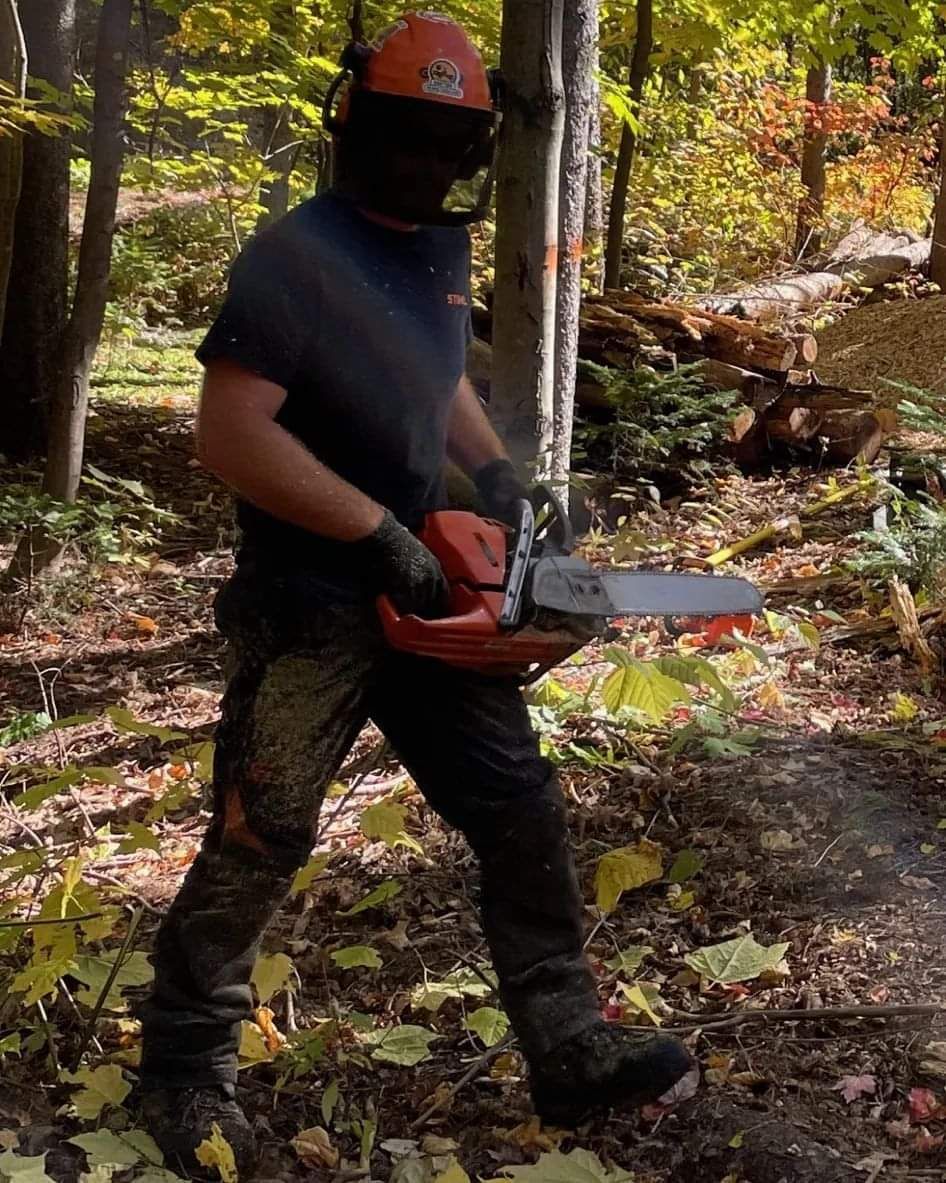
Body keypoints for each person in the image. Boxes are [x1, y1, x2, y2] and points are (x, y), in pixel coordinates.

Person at [139, 12, 692, 1174]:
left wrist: (496, 471)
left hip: (425, 585)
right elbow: (231, 433)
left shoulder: (431, 256)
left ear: (473, 148)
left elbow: (431, 380)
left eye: (447, 143)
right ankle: (183, 1071)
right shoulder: (296, 254)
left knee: (517, 807)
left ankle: (566, 1039)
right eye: (404, 136)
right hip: (309, 595)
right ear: (355, 127)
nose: (424, 163)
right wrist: (377, 532)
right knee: (262, 830)